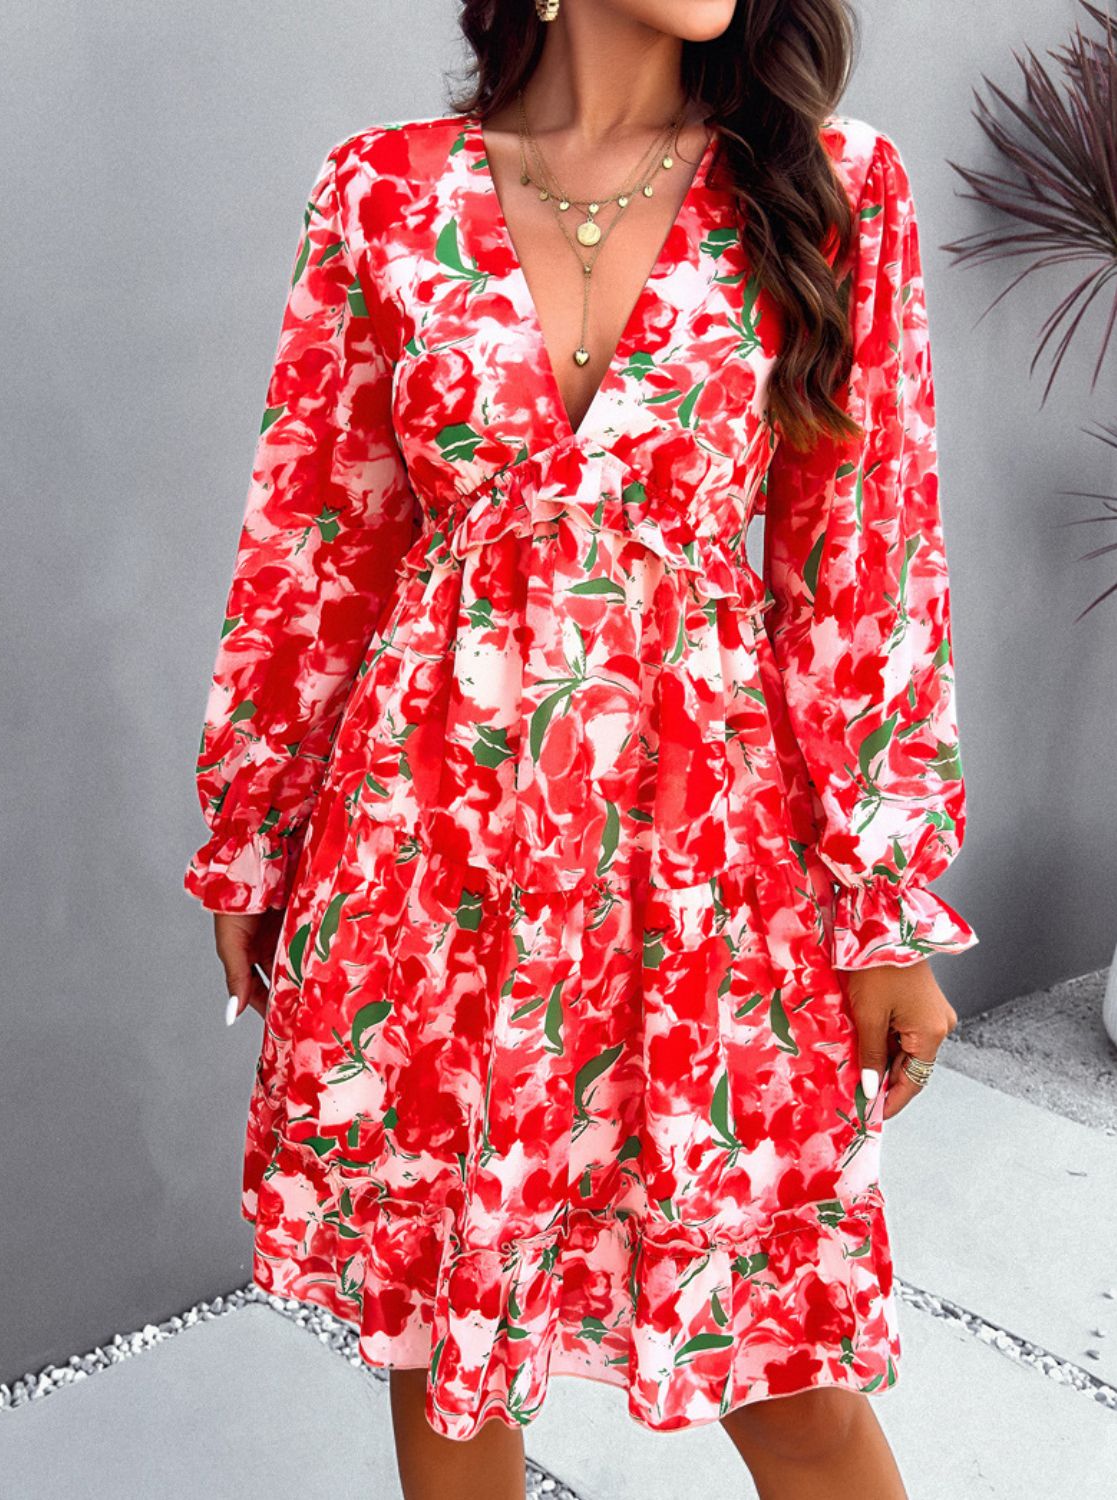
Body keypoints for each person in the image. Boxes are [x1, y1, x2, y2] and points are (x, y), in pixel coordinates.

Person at [183, 2, 979, 1495]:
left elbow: (863, 570)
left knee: (785, 1366)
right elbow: (318, 539)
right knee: (443, 1343)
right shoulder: (380, 191)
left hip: (705, 875)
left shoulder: (827, 186)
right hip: (429, 858)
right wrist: (255, 830)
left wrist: (883, 907)